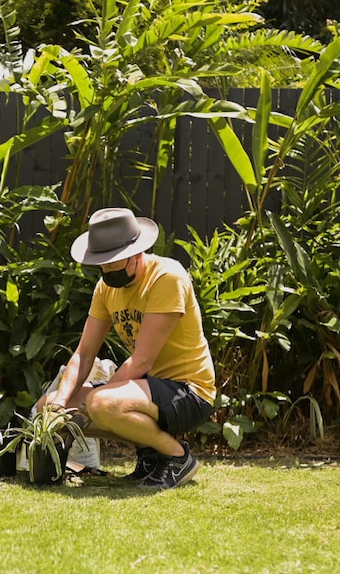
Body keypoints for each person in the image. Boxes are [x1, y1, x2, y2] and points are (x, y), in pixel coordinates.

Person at [39, 207, 216, 489]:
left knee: (100, 404)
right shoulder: (105, 288)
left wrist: (97, 402)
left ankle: (176, 457)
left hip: (188, 392)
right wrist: (61, 404)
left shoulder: (167, 277)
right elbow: (84, 354)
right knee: (47, 406)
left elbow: (142, 361)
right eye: (101, 263)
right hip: (146, 389)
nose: (106, 269)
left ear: (136, 254)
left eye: (112, 263)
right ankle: (150, 455)